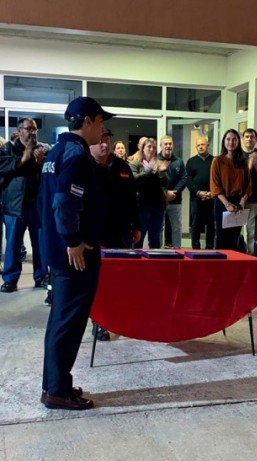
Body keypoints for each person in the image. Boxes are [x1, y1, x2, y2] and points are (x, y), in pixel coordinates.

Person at [39, 96, 113, 410]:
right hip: (74, 257)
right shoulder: (76, 155)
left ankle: (55, 385)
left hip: (57, 253)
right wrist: (73, 241)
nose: (103, 129)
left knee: (60, 322)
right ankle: (57, 390)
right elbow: (63, 204)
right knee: (68, 324)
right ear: (87, 121)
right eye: (100, 122)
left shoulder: (55, 151)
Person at [88, 129, 141, 341]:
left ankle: (119, 318)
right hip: (96, 234)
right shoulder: (85, 167)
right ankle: (98, 322)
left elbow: (133, 200)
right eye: (100, 140)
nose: (104, 144)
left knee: (121, 277)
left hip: (120, 233)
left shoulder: (121, 167)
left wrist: (136, 226)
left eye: (107, 140)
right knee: (98, 281)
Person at [0, 117, 48, 293]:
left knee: (40, 243)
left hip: (36, 206)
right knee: (13, 243)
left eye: (34, 129)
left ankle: (42, 276)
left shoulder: (41, 149)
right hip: (14, 206)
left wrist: (40, 162)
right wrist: (22, 159)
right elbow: (2, 167)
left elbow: (49, 175)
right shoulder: (8, 148)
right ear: (19, 130)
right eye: (28, 129)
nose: (32, 133)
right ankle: (11, 279)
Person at [210, 129, 251, 251]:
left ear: (238, 142)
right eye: (228, 139)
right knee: (222, 238)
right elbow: (215, 186)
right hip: (223, 202)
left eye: (234, 139)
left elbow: (248, 185)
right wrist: (227, 204)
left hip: (239, 204)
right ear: (224, 142)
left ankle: (234, 267)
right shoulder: (217, 160)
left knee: (235, 239)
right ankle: (220, 268)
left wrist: (242, 202)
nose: (231, 142)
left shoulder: (243, 162)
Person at [129, 138, 168, 248]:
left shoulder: (159, 163)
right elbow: (134, 181)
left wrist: (161, 172)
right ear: (143, 149)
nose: (151, 149)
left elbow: (166, 182)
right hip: (141, 206)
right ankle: (136, 263)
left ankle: (155, 263)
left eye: (154, 147)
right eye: (149, 147)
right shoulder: (135, 163)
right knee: (138, 237)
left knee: (155, 237)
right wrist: (149, 169)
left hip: (158, 206)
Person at [186, 137, 215, 249]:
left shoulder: (214, 160)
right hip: (196, 198)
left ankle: (209, 246)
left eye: (203, 144)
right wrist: (198, 192)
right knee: (196, 224)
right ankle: (195, 246)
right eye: (198, 145)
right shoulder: (191, 161)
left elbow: (218, 179)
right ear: (196, 147)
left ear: (208, 145)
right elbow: (187, 179)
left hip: (212, 197)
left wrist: (211, 193)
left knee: (211, 223)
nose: (201, 147)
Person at [159, 136, 186, 248]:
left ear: (173, 146)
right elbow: (153, 180)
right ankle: (157, 251)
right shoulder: (155, 160)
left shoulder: (179, 161)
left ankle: (177, 251)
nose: (168, 146)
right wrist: (165, 192)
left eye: (170, 144)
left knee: (176, 227)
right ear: (161, 146)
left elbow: (184, 178)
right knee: (159, 227)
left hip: (175, 200)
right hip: (160, 200)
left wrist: (175, 191)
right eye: (165, 144)